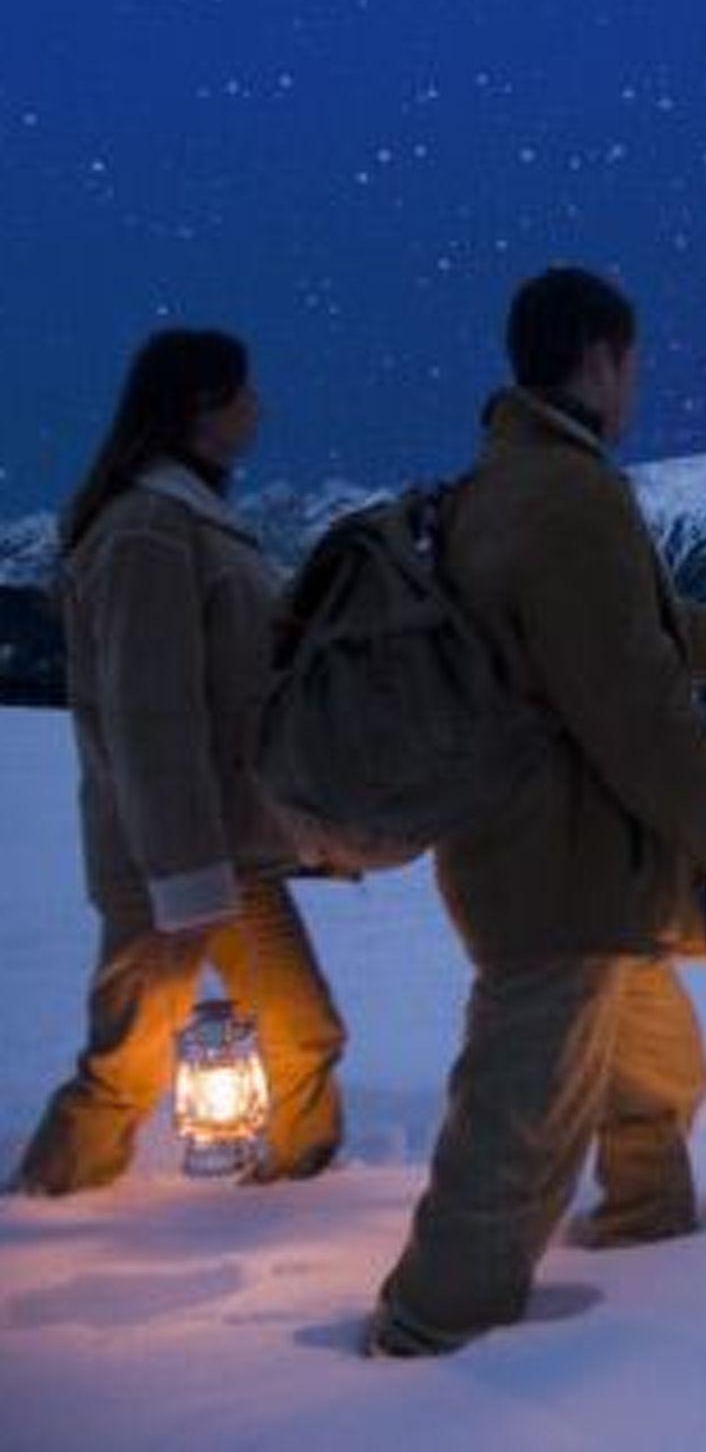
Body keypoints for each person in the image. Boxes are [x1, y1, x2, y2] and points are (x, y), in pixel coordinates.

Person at [365, 267, 706, 1358]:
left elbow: (617, 640)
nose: (641, 382)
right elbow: (633, 707)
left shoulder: (516, 481)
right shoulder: (566, 497)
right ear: (602, 358)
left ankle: (652, 1239)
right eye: (637, 360)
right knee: (519, 1126)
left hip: (574, 868)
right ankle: (427, 1339)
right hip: (557, 873)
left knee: (654, 1076)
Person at [9, 329, 347, 1195]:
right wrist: (185, 876)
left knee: (304, 1034)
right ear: (199, 406)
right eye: (244, 394)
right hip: (168, 857)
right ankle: (43, 1208)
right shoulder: (147, 530)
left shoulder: (192, 521)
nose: (258, 409)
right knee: (127, 1060)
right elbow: (148, 713)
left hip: (226, 847)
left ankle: (300, 1196)